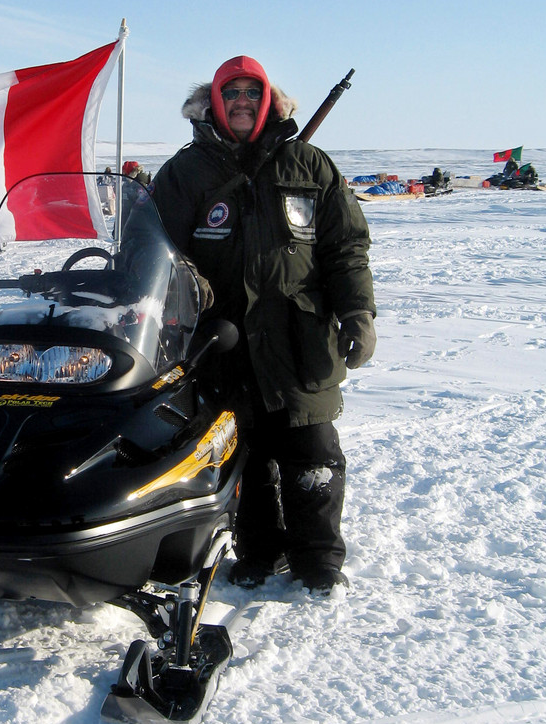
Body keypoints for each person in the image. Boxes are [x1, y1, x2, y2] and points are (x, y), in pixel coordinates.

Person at [150, 55, 376, 594]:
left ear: (268, 100)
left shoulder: (310, 165)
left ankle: (318, 556)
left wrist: (358, 312)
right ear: (216, 102)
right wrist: (184, 291)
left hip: (299, 336)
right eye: (233, 94)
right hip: (219, 338)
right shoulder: (186, 172)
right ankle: (258, 548)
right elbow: (157, 253)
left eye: (254, 93)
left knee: (312, 448)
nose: (244, 102)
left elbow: (346, 248)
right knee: (240, 449)